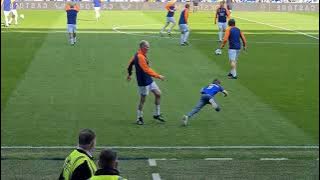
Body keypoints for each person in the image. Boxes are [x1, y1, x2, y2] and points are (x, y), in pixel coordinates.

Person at [127, 40, 165, 125]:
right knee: (143, 100)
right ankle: (139, 118)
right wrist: (158, 76)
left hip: (149, 80)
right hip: (143, 82)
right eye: (146, 47)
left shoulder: (139, 54)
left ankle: (157, 114)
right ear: (142, 47)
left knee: (158, 94)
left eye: (148, 46)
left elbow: (130, 64)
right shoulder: (140, 56)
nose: (148, 48)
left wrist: (129, 74)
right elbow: (146, 69)